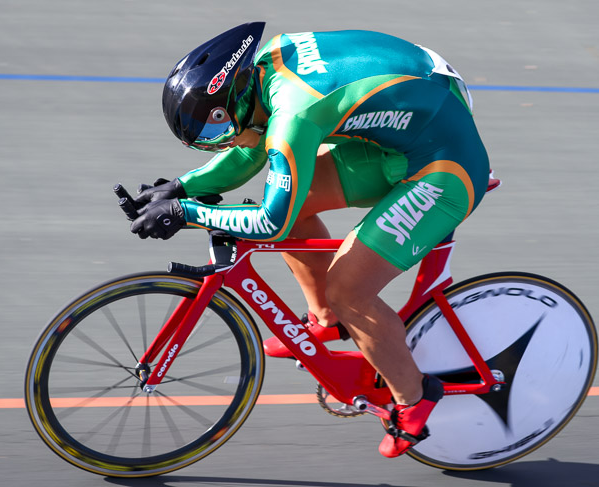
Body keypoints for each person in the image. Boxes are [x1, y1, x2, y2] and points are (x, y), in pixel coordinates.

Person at [126, 22, 489, 458]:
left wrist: (186, 212)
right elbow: (250, 148)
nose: (213, 145)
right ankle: (326, 319)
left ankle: (414, 398)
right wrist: (180, 187)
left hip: (445, 165)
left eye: (212, 132)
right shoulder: (266, 72)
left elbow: (270, 223)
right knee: (294, 195)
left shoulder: (294, 115)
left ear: (235, 98)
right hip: (412, 124)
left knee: (349, 288)